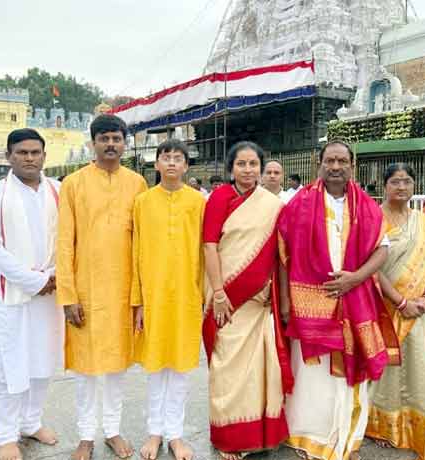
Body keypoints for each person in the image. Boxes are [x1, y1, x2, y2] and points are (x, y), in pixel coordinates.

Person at [277, 139, 399, 460]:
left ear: (352, 166)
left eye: (342, 161)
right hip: (310, 307)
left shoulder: (367, 207)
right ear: (320, 163)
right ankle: (307, 437)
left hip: (355, 300)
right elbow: (283, 253)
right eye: (329, 160)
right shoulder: (299, 203)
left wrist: (356, 278)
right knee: (310, 375)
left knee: (347, 375)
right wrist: (287, 302)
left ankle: (347, 436)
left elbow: (382, 249)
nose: (335, 167)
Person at [56, 114, 148, 460]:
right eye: (104, 138)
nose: (111, 144)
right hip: (86, 289)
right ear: (92, 143)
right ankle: (85, 435)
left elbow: (141, 244)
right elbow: (64, 243)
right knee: (85, 368)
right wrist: (68, 296)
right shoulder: (74, 184)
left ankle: (112, 430)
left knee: (116, 367)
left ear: (125, 143)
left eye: (117, 138)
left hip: (124, 290)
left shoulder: (138, 183)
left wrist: (140, 297)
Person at [0, 129, 63, 460]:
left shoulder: (58, 190)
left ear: (44, 155)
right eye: (22, 152)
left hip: (51, 292)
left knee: (41, 362)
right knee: (8, 365)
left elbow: (70, 240)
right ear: (8, 156)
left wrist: (53, 277)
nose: (29, 158)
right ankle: (6, 434)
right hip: (11, 294)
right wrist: (32, 280)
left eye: (35, 152)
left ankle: (31, 421)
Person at [202, 141, 292, 460]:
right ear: (231, 168)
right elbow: (210, 246)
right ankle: (229, 436)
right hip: (226, 296)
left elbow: (277, 254)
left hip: (258, 300)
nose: (248, 170)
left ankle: (258, 433)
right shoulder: (219, 198)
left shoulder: (272, 204)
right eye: (241, 164)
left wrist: (273, 292)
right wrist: (220, 292)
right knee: (226, 365)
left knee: (258, 368)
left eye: (254, 164)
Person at [366, 164, 425, 460]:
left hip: (421, 310)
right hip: (386, 306)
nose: (401, 187)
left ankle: (420, 429)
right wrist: (401, 302)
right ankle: (383, 426)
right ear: (384, 186)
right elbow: (371, 269)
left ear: (415, 185)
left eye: (406, 181)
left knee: (419, 366)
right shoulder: (372, 219)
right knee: (387, 368)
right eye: (394, 181)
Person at [131, 139, 205, 460]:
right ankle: (154, 431)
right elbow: (136, 254)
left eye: (178, 158)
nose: (172, 163)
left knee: (180, 367)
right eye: (166, 157)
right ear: (156, 163)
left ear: (187, 166)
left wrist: (205, 294)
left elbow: (206, 250)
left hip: (188, 296)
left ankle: (175, 434)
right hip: (154, 296)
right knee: (156, 366)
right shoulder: (143, 202)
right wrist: (139, 301)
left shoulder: (198, 202)